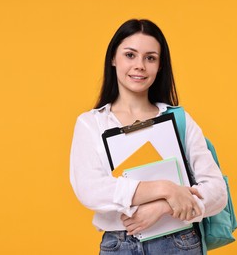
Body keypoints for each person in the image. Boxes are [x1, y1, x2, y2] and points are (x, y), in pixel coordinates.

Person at [69, 19, 227, 255]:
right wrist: (166, 189)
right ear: (113, 58)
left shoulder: (179, 120)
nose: (140, 65)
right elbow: (90, 189)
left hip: (179, 243)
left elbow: (217, 191)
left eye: (150, 58)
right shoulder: (92, 123)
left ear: (160, 65)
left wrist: (163, 207)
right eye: (130, 55)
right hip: (118, 245)